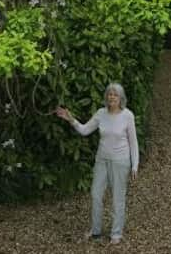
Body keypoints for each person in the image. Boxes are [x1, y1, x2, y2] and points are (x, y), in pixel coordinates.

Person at [55, 82, 139, 245]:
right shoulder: (101, 113)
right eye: (109, 94)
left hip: (120, 162)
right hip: (101, 160)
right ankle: (96, 230)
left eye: (115, 94)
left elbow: (133, 142)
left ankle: (116, 233)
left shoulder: (127, 115)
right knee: (95, 194)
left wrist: (135, 165)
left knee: (117, 198)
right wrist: (70, 118)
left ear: (121, 98)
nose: (111, 97)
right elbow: (85, 130)